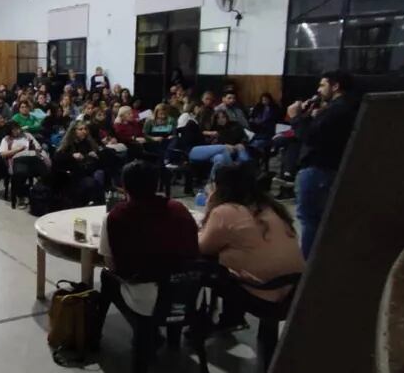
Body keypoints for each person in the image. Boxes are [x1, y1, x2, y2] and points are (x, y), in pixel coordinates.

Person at [199, 163, 304, 327]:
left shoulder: (225, 211)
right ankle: (232, 319)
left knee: (203, 267)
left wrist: (209, 207)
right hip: (293, 292)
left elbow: (201, 247)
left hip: (262, 293)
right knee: (232, 257)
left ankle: (199, 325)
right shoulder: (272, 207)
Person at [96, 161, 199, 318]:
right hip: (187, 292)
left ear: (123, 187)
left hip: (146, 299)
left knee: (106, 275)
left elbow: (111, 264)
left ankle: (94, 335)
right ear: (157, 184)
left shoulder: (116, 216)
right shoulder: (178, 209)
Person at [288, 70, 358, 259]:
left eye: (322, 85)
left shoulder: (337, 110)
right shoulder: (344, 108)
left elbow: (309, 137)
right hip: (328, 169)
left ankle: (307, 265)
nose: (318, 90)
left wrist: (295, 117)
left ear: (335, 86)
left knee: (310, 220)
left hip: (318, 169)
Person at [188, 110, 250, 178]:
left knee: (224, 158)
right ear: (215, 120)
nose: (221, 120)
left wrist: (242, 144)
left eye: (223, 117)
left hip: (235, 150)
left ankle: (213, 185)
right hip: (218, 152)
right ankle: (215, 183)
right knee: (218, 157)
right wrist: (209, 134)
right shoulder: (214, 129)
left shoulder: (235, 125)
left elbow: (244, 138)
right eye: (218, 118)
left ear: (227, 117)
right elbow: (209, 144)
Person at [0, 121, 48, 203]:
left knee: (45, 172)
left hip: (32, 157)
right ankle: (21, 196)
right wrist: (17, 149)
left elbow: (38, 147)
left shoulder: (27, 135)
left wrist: (35, 148)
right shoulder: (6, 139)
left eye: (17, 129)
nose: (17, 131)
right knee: (20, 174)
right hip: (18, 159)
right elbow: (3, 154)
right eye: (13, 130)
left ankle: (42, 195)